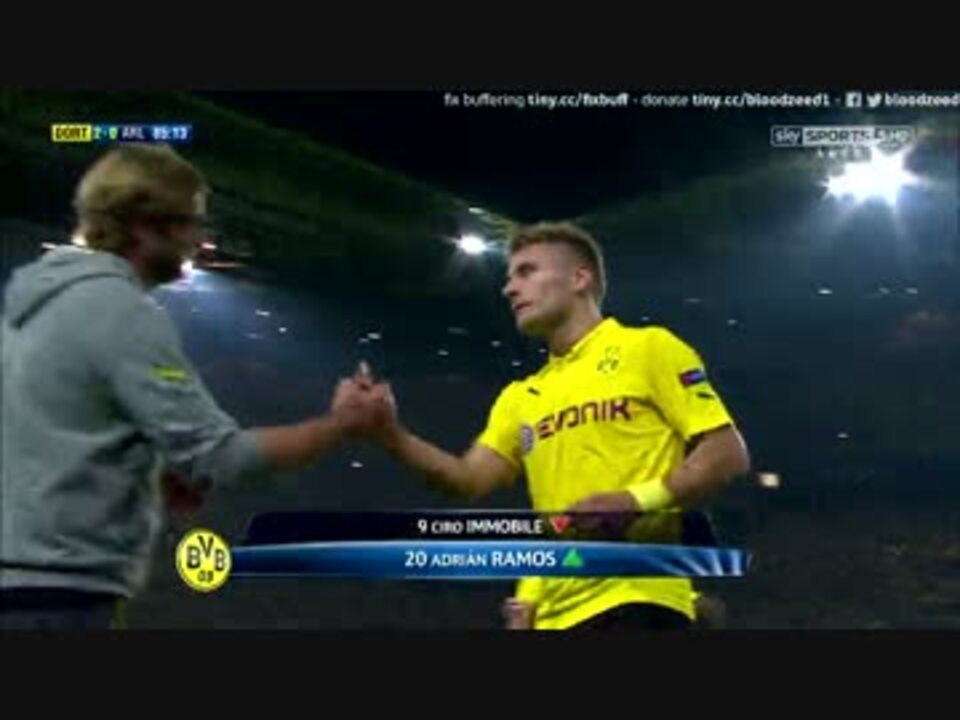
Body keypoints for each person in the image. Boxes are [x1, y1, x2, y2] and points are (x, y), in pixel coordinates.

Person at [0, 144, 376, 630]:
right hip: (58, 601)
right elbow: (223, 457)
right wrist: (344, 423)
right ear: (142, 225)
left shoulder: (31, 301)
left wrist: (144, 474)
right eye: (192, 222)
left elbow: (46, 433)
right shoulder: (122, 311)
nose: (200, 238)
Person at [346, 221, 750, 630]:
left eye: (527, 272)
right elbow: (466, 479)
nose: (509, 289)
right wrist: (389, 435)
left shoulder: (647, 348)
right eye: (509, 278)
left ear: (579, 279)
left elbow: (726, 453)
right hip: (551, 618)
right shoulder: (522, 396)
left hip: (637, 598)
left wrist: (635, 501)